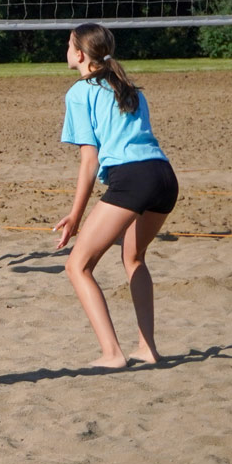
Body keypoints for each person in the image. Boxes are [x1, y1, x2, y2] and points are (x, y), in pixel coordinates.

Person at [54, 23, 179, 368]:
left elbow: (89, 161)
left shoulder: (80, 91)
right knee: (133, 256)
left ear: (80, 54)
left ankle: (112, 353)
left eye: (68, 45)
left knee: (77, 266)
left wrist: (75, 216)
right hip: (164, 176)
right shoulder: (129, 87)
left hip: (133, 179)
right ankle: (147, 349)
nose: (66, 51)